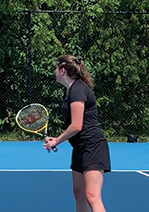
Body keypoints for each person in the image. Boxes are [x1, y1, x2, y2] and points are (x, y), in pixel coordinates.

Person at [44, 55, 110, 212]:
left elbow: (76, 125)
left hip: (92, 147)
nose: (54, 71)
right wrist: (58, 139)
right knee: (79, 193)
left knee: (92, 196)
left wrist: (57, 141)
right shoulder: (71, 91)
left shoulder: (78, 90)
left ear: (62, 70)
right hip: (80, 148)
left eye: (55, 68)